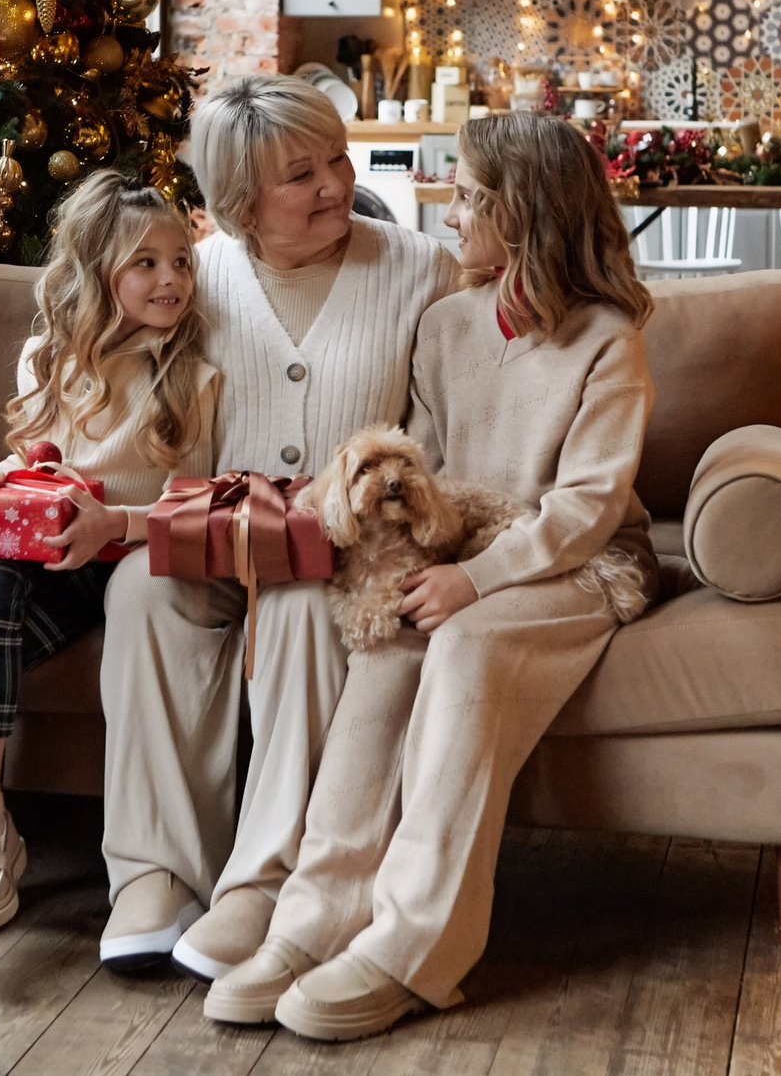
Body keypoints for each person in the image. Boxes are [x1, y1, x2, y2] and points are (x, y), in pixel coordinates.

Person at [208, 111, 659, 1040]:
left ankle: (412, 946)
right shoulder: (448, 322)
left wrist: (480, 580)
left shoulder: (609, 339)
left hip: (581, 564)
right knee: (385, 647)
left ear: (518, 215)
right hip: (463, 554)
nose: (448, 216)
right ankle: (312, 920)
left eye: (465, 198)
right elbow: (430, 469)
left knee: (463, 645)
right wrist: (427, 563)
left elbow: (586, 508)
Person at [95, 75, 456, 978]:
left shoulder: (420, 267)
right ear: (239, 201)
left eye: (336, 157)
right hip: (214, 531)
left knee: (299, 603)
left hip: (345, 547)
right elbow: (104, 379)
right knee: (142, 591)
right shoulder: (191, 276)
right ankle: (157, 872)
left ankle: (269, 880)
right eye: (302, 174)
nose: (336, 182)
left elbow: (443, 434)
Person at [0, 173, 221, 943]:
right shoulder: (47, 356)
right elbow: (34, 462)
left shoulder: (196, 373)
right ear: (95, 270)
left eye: (181, 260)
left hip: (127, 558)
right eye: (145, 263)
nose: (171, 279)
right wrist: (26, 496)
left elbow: (207, 501)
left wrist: (111, 521)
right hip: (48, 555)